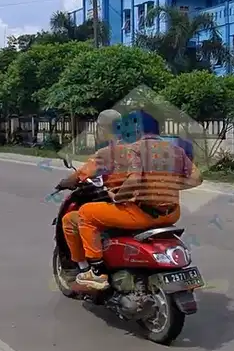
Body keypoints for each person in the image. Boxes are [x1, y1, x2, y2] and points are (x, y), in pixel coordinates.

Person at [58, 109, 202, 291]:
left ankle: (96, 272)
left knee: (86, 213)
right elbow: (197, 178)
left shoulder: (131, 149)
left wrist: (118, 197)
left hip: (141, 213)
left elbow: (132, 179)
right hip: (172, 214)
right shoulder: (175, 149)